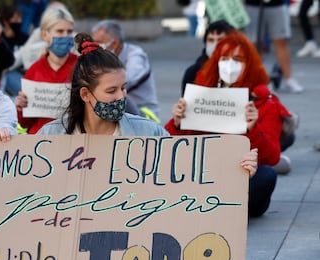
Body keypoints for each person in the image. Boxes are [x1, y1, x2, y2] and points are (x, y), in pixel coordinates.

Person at [38, 33, 258, 179]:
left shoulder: (148, 132)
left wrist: (236, 166)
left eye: (123, 88)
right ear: (85, 94)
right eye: (111, 91)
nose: (121, 97)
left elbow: (187, 170)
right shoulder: (51, 136)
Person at [164, 31, 285, 217]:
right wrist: (178, 123)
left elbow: (272, 156)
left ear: (250, 64)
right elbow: (168, 146)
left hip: (243, 175)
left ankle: (223, 208)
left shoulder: (265, 103)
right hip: (206, 174)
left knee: (266, 175)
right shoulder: (202, 95)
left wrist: (253, 129)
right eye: (225, 58)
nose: (230, 65)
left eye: (238, 59)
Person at [15, 5, 77, 134]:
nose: (65, 36)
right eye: (60, 31)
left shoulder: (82, 66)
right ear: (45, 35)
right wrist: (21, 107)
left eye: (69, 31)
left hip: (72, 138)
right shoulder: (35, 70)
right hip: (39, 139)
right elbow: (25, 123)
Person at [91, 19, 161, 122]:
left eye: (99, 42)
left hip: (142, 114)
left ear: (114, 43)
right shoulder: (100, 58)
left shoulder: (135, 56)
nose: (95, 47)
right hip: (117, 109)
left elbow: (127, 81)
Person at [244, 0, 304, 93]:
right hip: (253, 5)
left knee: (281, 40)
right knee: (255, 43)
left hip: (276, 4)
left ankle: (289, 79)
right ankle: (258, 80)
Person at [181, 20, 234, 96]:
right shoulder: (193, 73)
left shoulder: (243, 72)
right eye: (211, 40)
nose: (215, 45)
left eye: (220, 40)